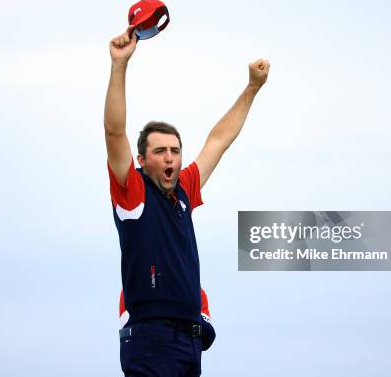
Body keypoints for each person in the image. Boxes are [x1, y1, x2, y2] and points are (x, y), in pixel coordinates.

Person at [105, 25, 269, 376]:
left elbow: (219, 139)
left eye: (175, 151)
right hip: (150, 338)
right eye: (160, 151)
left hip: (189, 342)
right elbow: (114, 132)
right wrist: (120, 65)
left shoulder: (184, 189)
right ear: (141, 160)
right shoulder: (132, 191)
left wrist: (252, 89)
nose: (170, 158)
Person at [119, 288, 216, 352]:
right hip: (147, 360)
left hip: (185, 361)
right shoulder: (131, 288)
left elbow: (208, 336)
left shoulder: (196, 291)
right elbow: (128, 330)